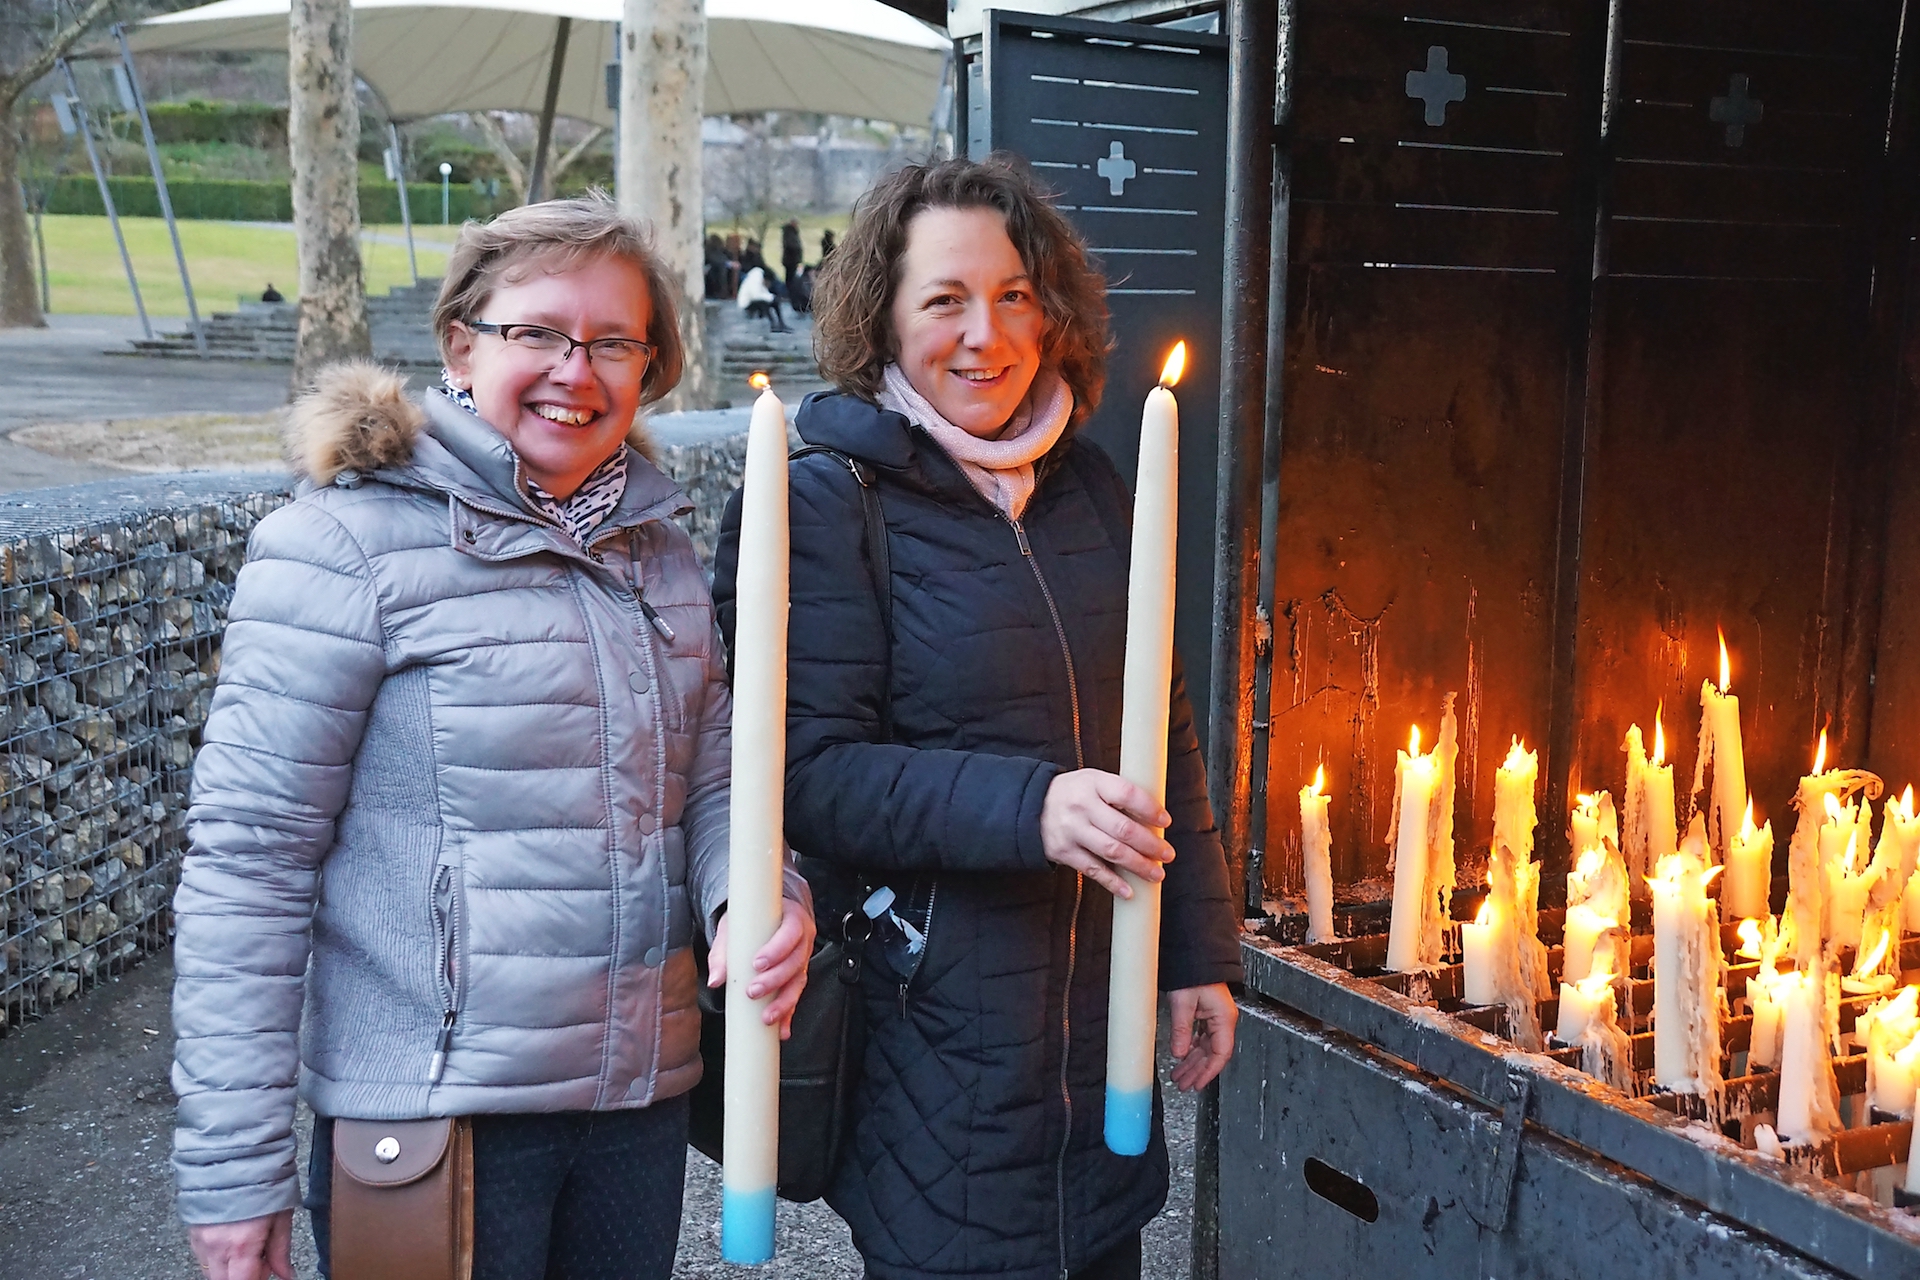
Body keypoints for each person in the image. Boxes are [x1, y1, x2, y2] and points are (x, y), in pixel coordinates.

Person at [172, 194, 815, 1280]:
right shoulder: (340, 543)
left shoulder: (653, 548)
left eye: (615, 341)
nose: (580, 368)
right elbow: (248, 866)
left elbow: (713, 783)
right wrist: (237, 1169)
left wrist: (758, 894)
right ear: (462, 344)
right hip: (435, 1118)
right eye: (541, 333)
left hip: (632, 1106)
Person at [714, 157, 1241, 1280]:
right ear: (883, 317)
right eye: (944, 300)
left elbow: (1164, 723)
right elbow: (807, 771)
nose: (984, 334)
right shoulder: (826, 501)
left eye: (1012, 295)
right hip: (934, 1043)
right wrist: (1030, 806)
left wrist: (1197, 946)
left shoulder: (1092, 485)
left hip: (1097, 1025)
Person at [736, 263, 790, 333]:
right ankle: (773, 324)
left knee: (774, 301)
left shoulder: (761, 277)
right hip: (746, 303)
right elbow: (756, 295)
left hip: (755, 299)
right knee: (764, 302)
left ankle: (781, 323)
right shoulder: (755, 279)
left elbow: (764, 293)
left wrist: (774, 298)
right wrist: (771, 298)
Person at [781, 218, 804, 290]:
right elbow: (791, 245)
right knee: (790, 277)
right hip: (790, 260)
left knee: (793, 277)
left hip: (794, 260)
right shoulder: (789, 233)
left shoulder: (793, 233)